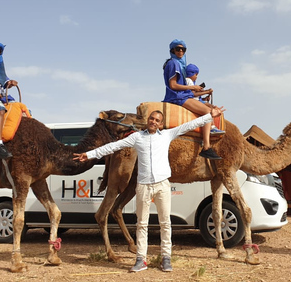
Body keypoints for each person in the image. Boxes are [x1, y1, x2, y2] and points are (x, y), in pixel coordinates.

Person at [73, 107, 225, 272]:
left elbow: (188, 125)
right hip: (144, 186)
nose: (153, 122)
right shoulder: (137, 137)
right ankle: (141, 260)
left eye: (157, 120)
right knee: (142, 225)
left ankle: (166, 258)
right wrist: (88, 155)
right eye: (151, 119)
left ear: (161, 125)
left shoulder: (168, 135)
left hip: (162, 186)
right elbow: (113, 146)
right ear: (148, 121)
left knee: (165, 223)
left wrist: (210, 116)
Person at [162, 39, 223, 160]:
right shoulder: (174, 63)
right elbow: (173, 85)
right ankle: (206, 146)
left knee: (209, 107)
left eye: (183, 49)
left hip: (183, 95)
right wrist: (192, 87)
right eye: (178, 49)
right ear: (172, 50)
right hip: (177, 97)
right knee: (207, 112)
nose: (180, 51)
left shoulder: (178, 64)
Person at [185, 63, 223, 134]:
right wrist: (207, 92)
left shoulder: (189, 82)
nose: (196, 77)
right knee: (211, 109)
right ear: (192, 74)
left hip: (197, 100)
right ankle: (211, 127)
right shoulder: (188, 81)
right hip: (193, 101)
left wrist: (205, 97)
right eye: (196, 75)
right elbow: (193, 94)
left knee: (211, 106)